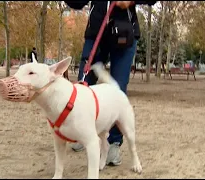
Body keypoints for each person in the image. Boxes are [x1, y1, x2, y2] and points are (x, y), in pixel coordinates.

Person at [64, 1, 156, 166]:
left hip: (124, 32)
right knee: (84, 82)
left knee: (118, 89)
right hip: (96, 32)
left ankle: (114, 142)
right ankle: (84, 132)